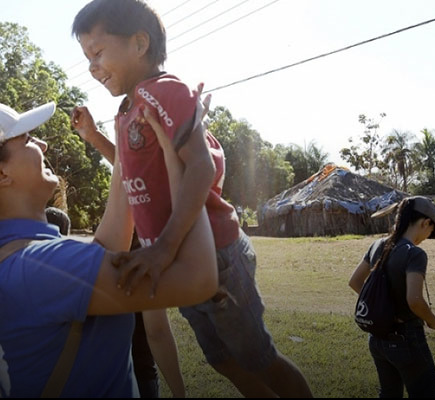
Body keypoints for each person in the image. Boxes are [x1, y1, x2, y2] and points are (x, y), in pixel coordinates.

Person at [0, 100, 216, 397]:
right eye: (27, 140)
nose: (42, 143)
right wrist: (187, 148)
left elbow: (106, 249)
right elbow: (198, 278)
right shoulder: (38, 269)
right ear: (0, 173)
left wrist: (125, 146)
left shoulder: (8, 255)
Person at [70, 0, 313, 397]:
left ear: (140, 43)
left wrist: (163, 247)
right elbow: (131, 175)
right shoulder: (128, 107)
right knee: (222, 360)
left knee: (258, 358)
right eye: (86, 58)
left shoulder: (165, 91)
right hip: (174, 259)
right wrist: (95, 138)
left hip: (212, 253)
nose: (92, 67)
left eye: (97, 53)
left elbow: (199, 166)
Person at [349, 196, 435, 398]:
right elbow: (414, 300)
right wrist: (432, 320)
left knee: (389, 394)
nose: (427, 236)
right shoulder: (415, 254)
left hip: (377, 338)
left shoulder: (376, 245)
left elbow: (355, 282)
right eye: (431, 230)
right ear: (425, 223)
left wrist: (382, 308)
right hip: (406, 338)